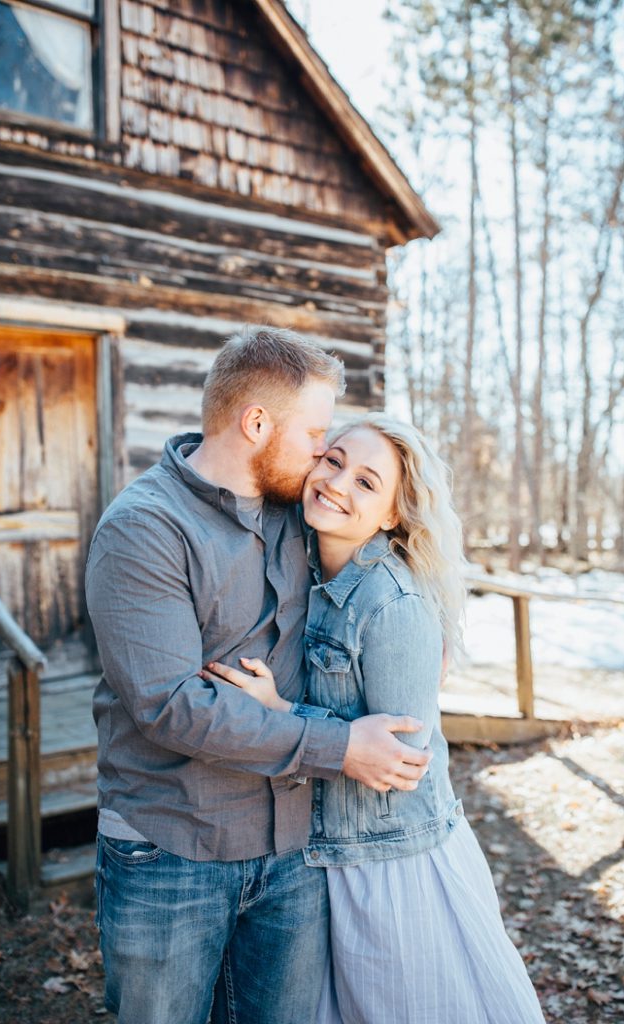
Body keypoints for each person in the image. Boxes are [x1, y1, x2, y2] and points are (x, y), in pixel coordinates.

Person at [85, 328, 432, 1024]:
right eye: (314, 433)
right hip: (172, 846)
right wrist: (339, 747)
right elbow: (172, 709)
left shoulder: (298, 510)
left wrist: (425, 632)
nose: (322, 454)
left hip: (290, 852)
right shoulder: (144, 528)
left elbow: (383, 545)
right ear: (255, 424)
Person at [208, 413, 546, 1024]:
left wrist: (279, 712)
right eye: (334, 461)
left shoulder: (393, 603)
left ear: (392, 514)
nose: (337, 483)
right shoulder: (305, 567)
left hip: (395, 863)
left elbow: (402, 763)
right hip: (331, 855)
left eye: (367, 482)